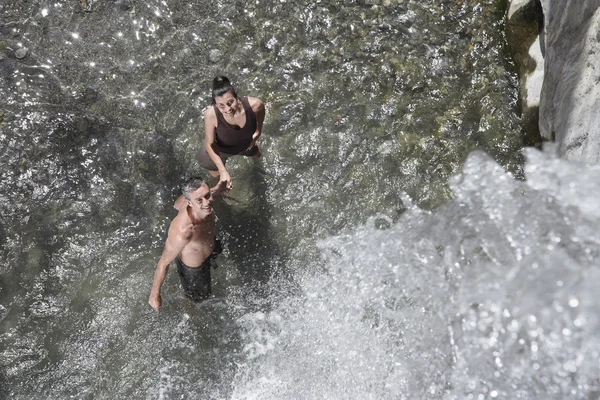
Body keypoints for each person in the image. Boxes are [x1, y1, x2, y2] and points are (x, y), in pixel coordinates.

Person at [148, 177, 224, 312]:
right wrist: (155, 295)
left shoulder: (201, 197)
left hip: (209, 245)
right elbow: (163, 262)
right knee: (200, 303)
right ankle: (190, 313)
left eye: (208, 196)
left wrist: (218, 189)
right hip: (194, 269)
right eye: (199, 200)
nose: (207, 203)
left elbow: (177, 203)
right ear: (189, 202)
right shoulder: (183, 231)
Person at [196, 76, 265, 190]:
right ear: (215, 105)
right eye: (221, 105)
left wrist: (256, 135)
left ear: (237, 98)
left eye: (230, 102)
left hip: (244, 145)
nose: (228, 109)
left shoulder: (256, 105)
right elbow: (210, 144)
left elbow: (259, 125)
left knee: (258, 157)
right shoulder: (211, 115)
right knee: (220, 179)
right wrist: (223, 170)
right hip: (219, 150)